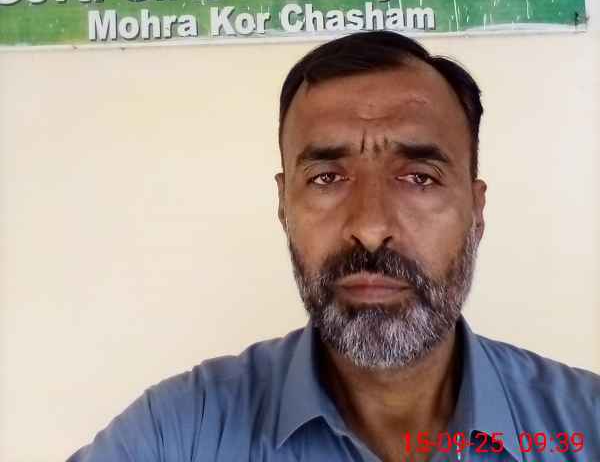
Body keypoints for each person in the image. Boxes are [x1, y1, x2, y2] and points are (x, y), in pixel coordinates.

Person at [67, 31, 600, 462]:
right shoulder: (180, 433)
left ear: (476, 210)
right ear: (284, 205)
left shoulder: (586, 425)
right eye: (326, 178)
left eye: (419, 177)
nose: (369, 227)